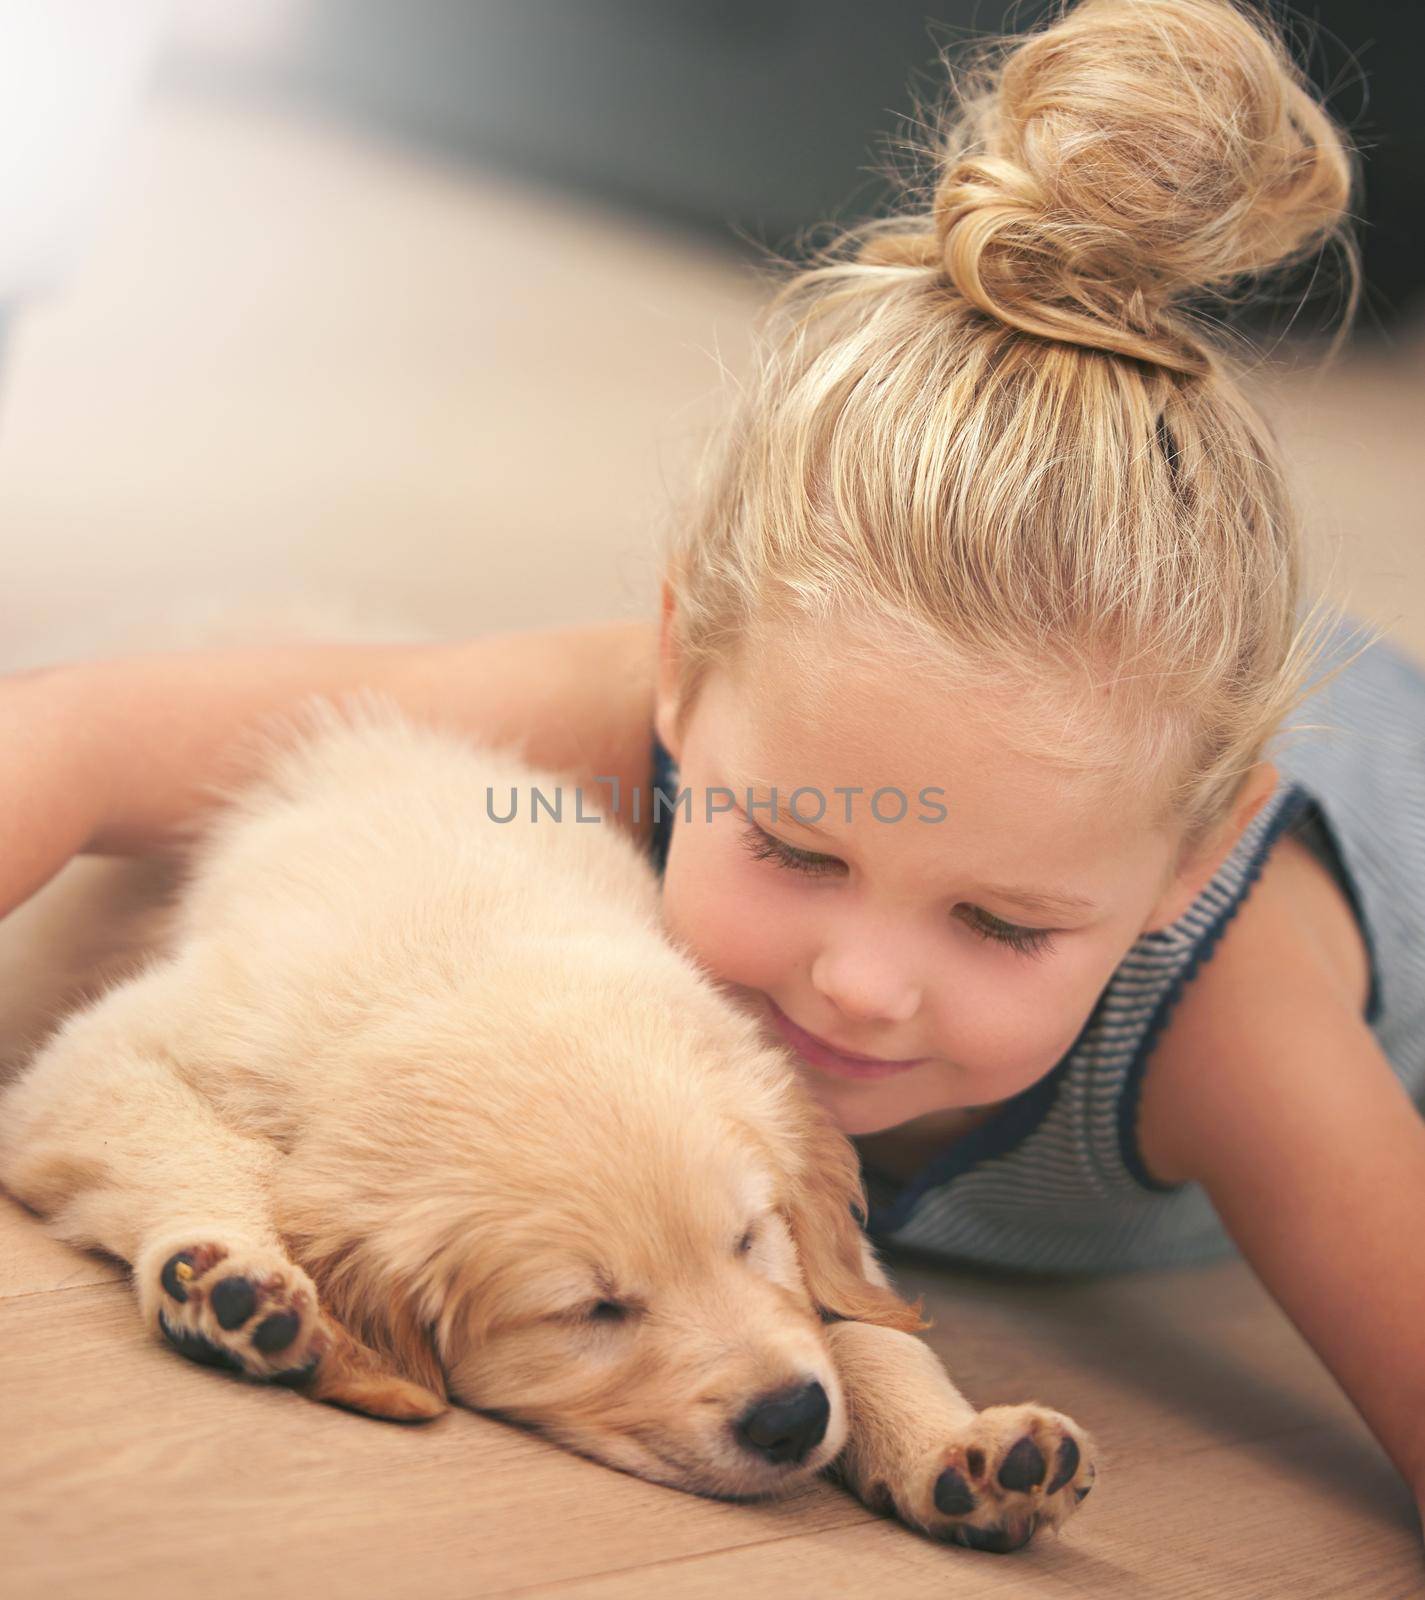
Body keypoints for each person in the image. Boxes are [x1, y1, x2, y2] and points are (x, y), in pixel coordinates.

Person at [4, 0, 1425, 1526]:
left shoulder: (1226, 1010)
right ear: (685, 670)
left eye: (1002, 923)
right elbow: (78, 730)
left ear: (1187, 866)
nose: (860, 987)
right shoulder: (589, 726)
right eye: (800, 849)